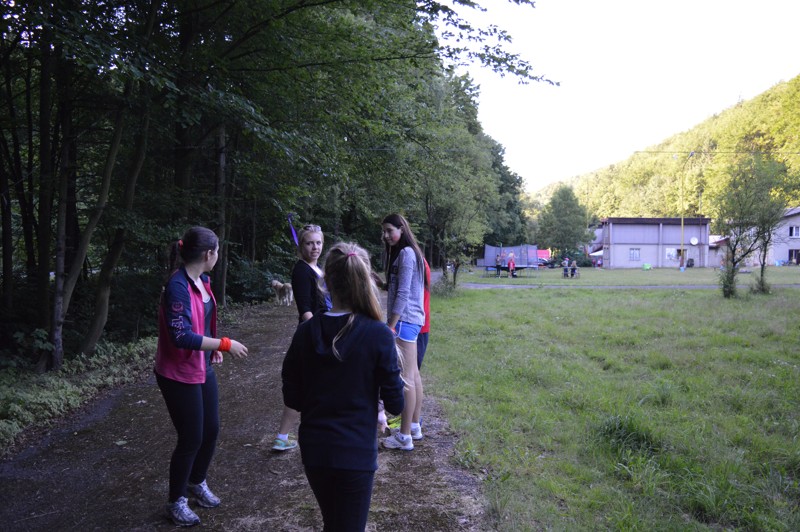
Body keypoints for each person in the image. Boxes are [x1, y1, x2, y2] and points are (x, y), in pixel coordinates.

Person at [282, 242, 404, 532]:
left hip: (315, 450)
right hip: (355, 452)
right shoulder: (378, 334)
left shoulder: (305, 332)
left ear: (325, 281)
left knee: (333, 522)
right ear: (365, 280)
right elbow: (396, 404)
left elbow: (293, 396)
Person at [154, 226, 249, 527]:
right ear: (209, 254)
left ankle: (197, 482)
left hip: (200, 366)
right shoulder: (178, 286)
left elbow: (204, 320)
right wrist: (224, 344)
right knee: (191, 437)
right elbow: (181, 335)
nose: (218, 256)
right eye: (217, 251)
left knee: (211, 429)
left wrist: (211, 349)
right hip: (177, 373)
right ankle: (176, 501)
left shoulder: (203, 280)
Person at [272, 224, 333, 452]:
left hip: (322, 330)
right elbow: (305, 310)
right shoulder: (301, 271)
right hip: (312, 334)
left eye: (318, 242)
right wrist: (319, 336)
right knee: (303, 384)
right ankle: (285, 437)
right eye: (309, 243)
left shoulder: (317, 269)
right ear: (301, 246)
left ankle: (287, 436)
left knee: (312, 384)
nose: (315, 247)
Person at [379, 213, 426, 451]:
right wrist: (380, 282)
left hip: (405, 320)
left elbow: (404, 293)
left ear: (401, 229)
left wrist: (391, 324)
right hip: (410, 320)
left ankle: (404, 436)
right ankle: (414, 427)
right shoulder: (409, 253)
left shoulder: (407, 253)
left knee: (405, 379)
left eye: (390, 230)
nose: (386, 235)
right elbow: (399, 286)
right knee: (413, 374)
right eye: (384, 231)